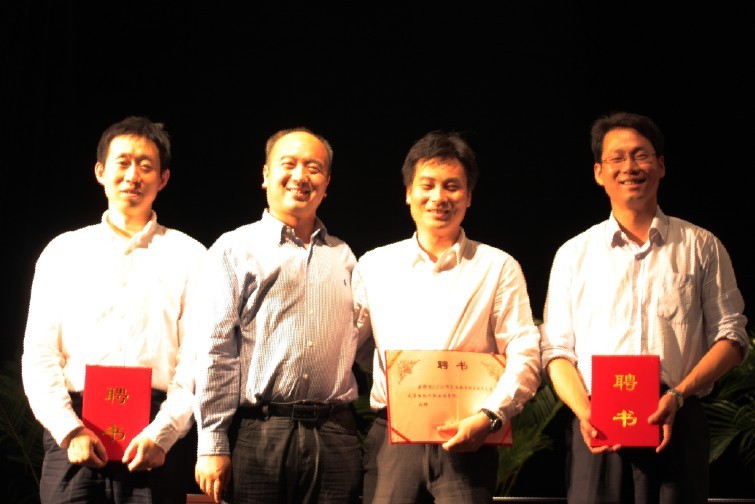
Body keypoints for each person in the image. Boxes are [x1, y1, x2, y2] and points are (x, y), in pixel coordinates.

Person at [539, 111, 749, 503]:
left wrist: (679, 395)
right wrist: (585, 411)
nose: (630, 167)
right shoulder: (573, 254)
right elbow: (556, 350)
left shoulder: (701, 246)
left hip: (677, 417)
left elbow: (732, 337)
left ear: (661, 165)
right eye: (616, 158)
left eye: (641, 155)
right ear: (599, 172)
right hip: (597, 424)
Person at [21, 115, 207, 503]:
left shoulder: (190, 255)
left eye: (146, 165)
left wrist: (163, 433)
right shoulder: (63, 251)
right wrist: (69, 429)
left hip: (155, 433)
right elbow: (40, 354)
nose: (133, 175)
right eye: (122, 162)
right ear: (100, 172)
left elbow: (197, 359)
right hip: (75, 425)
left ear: (163, 178)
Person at [352, 130, 542, 503]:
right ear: (409, 192)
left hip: (469, 440)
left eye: (452, 186)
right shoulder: (374, 265)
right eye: (427, 185)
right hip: (393, 441)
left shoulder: (497, 267)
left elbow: (525, 353)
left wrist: (490, 416)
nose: (439, 197)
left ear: (468, 196)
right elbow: (351, 347)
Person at [193, 127, 362, 504]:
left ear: (327, 184)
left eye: (314, 168)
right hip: (261, 431)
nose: (301, 176)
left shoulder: (344, 256)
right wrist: (213, 442)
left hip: (336, 433)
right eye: (289, 164)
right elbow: (215, 349)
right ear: (266, 174)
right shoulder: (234, 249)